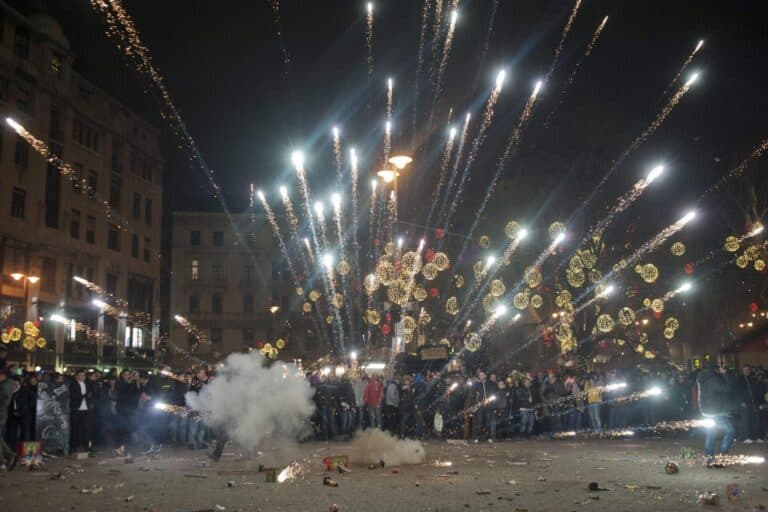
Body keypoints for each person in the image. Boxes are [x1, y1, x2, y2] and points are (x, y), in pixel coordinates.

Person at [697, 363, 736, 466]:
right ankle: (721, 457)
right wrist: (725, 375)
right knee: (730, 431)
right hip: (715, 412)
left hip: (706, 411)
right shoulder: (713, 379)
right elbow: (727, 388)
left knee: (710, 434)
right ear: (716, 370)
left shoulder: (702, 378)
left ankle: (709, 460)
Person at [69, 369, 94, 453]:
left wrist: (88, 397)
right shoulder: (72, 384)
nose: (82, 377)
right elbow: (73, 396)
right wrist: (84, 395)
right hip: (76, 410)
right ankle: (73, 448)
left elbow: (91, 394)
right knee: (75, 430)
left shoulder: (88, 384)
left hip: (86, 410)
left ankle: (87, 447)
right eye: (80, 375)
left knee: (87, 430)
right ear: (76, 376)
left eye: (84, 375)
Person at [737, 364, 765, 443]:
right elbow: (736, 393)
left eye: (747, 370)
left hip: (754, 403)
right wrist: (740, 402)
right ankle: (746, 437)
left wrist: (762, 402)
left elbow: (760, 391)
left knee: (755, 420)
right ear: (742, 371)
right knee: (745, 420)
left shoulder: (754, 379)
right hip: (744, 404)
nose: (746, 371)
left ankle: (755, 436)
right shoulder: (739, 380)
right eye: (744, 370)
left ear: (750, 370)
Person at [6, 375, 35, 446]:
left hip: (24, 414)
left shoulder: (25, 390)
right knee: (12, 432)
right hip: (12, 415)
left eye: (14, 382)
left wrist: (26, 408)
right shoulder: (8, 390)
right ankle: (12, 448)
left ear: (17, 382)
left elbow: (33, 399)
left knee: (25, 432)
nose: (12, 384)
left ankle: (25, 450)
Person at [115, 369, 140, 454]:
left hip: (131, 409)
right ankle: (120, 448)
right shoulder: (119, 383)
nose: (127, 376)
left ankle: (130, 448)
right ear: (122, 375)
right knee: (122, 429)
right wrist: (129, 382)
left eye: (128, 374)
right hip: (122, 410)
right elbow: (122, 393)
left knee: (131, 429)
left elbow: (137, 392)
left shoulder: (132, 383)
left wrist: (136, 381)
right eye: (125, 374)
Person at [0, 369, 18, 471]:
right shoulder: (6, 384)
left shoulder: (5, 386)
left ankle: (4, 459)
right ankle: (10, 456)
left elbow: (3, 399)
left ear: (3, 375)